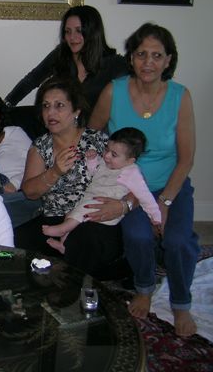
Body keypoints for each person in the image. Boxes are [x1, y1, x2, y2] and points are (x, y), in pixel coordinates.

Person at [89, 22, 199, 337]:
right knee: (138, 236)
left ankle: (181, 303)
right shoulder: (114, 91)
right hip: (127, 186)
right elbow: (92, 137)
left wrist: (164, 201)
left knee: (178, 241)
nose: (148, 62)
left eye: (156, 55)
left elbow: (186, 158)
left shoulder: (180, 96)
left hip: (170, 185)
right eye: (141, 54)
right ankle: (144, 288)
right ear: (131, 58)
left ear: (168, 60)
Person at [15, 77, 124, 279]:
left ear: (76, 111)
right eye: (46, 106)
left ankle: (75, 290)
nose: (51, 113)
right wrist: (55, 171)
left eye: (59, 106)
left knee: (82, 240)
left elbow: (130, 175)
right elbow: (29, 192)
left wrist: (124, 205)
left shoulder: (98, 140)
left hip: (93, 216)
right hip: (54, 217)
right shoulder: (40, 146)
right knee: (17, 240)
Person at [42, 127, 161, 254]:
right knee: (70, 214)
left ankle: (62, 230)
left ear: (130, 160)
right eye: (106, 149)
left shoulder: (132, 173)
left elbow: (144, 196)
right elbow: (94, 173)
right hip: (89, 198)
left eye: (114, 154)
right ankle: (64, 245)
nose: (107, 156)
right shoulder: (105, 162)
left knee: (78, 214)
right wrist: (92, 160)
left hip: (105, 206)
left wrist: (155, 216)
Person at [4, 5, 127, 108]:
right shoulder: (61, 54)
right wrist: (6, 105)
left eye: (79, 31)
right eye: (68, 31)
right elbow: (31, 80)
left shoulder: (114, 64)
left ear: (93, 32)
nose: (72, 37)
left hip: (96, 128)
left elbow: (128, 101)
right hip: (60, 126)